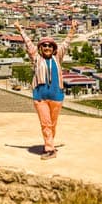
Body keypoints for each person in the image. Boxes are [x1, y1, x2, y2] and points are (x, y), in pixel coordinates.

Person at [14, 19, 78, 160]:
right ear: (41, 48)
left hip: (56, 97)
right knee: (46, 123)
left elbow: (66, 43)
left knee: (52, 124)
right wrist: (20, 30)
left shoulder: (57, 57)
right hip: (40, 97)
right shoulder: (37, 59)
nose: (47, 47)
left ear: (53, 48)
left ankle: (50, 144)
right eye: (44, 46)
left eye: (50, 45)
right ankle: (49, 149)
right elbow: (29, 44)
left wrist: (72, 29)